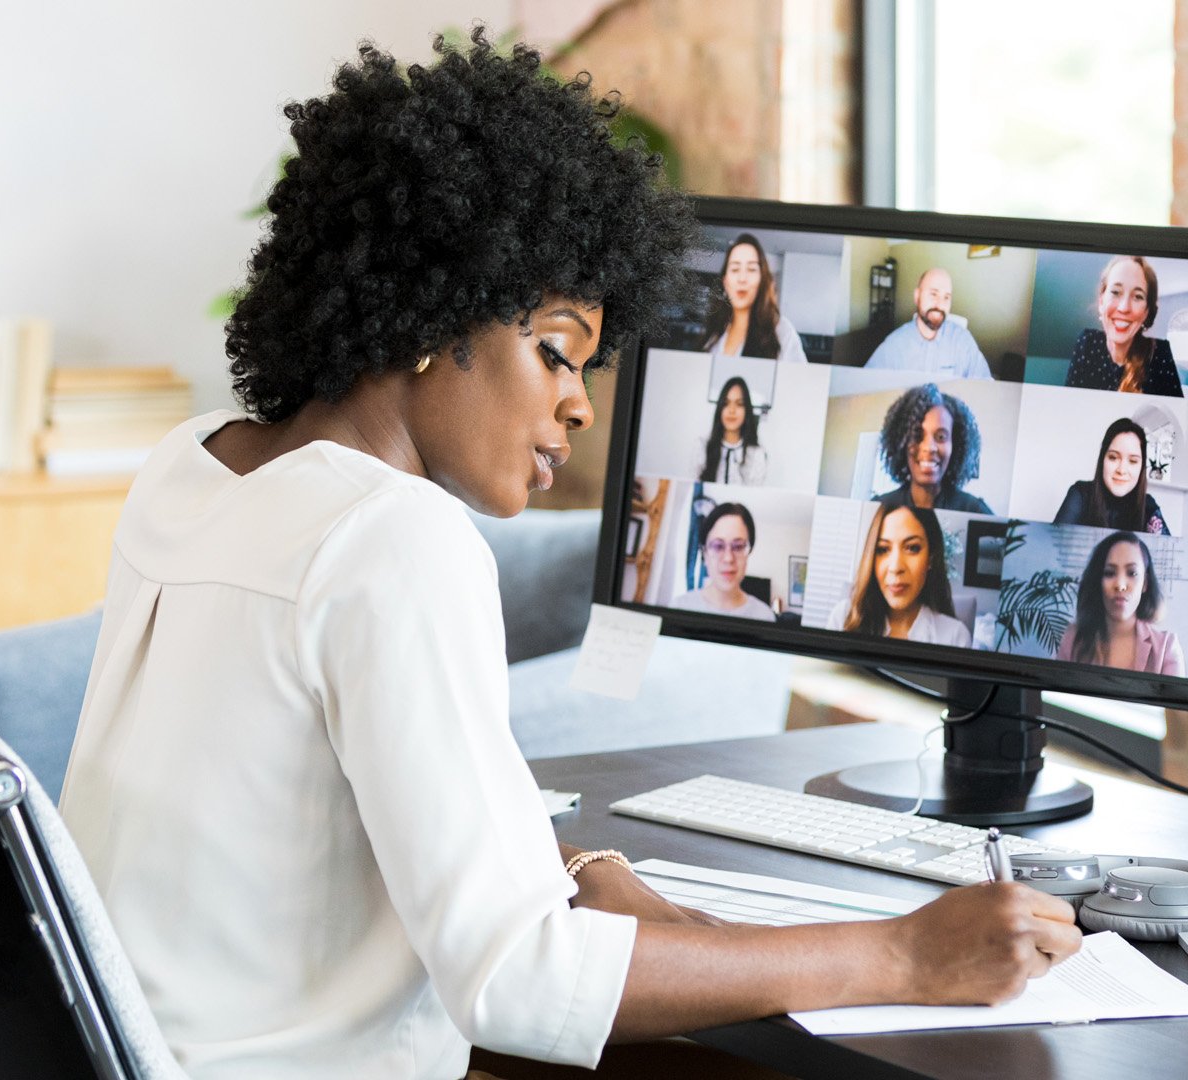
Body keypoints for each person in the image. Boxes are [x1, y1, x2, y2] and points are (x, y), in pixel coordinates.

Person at [57, 33, 1080, 1079]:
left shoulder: (192, 466)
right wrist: (902, 953)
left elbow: (347, 803)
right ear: (433, 315)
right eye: (553, 352)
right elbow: (520, 982)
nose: (580, 405)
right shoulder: (392, 538)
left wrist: (579, 862)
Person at [825, 504, 972, 646]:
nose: (895, 567)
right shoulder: (843, 618)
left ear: (930, 558)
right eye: (883, 549)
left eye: (912, 548)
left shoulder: (955, 636)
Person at [1058, 531, 1185, 675]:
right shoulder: (1072, 639)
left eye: (1132, 573)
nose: (1120, 585)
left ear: (1145, 583)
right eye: (1109, 573)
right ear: (1098, 581)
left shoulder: (1166, 648)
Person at [1063, 255, 1185, 397]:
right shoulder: (1088, 342)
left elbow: (1175, 410)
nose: (1124, 307)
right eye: (1115, 292)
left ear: (1146, 312)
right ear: (1101, 302)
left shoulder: (1160, 354)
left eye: (1138, 296)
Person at [870, 383, 994, 514]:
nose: (929, 447)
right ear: (901, 443)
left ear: (955, 445)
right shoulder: (878, 508)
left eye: (941, 437)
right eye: (917, 435)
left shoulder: (974, 511)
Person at [863, 267, 993, 379]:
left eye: (946, 297)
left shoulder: (963, 341)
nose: (940, 304)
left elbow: (985, 384)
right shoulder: (895, 344)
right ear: (917, 296)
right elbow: (867, 384)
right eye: (933, 294)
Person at [1052, 417, 1171, 535]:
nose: (1122, 470)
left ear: (1141, 467)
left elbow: (1168, 546)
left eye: (1133, 461)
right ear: (1102, 459)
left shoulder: (1148, 506)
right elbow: (1054, 541)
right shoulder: (1080, 494)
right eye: (1113, 457)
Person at [702, 233, 808, 362]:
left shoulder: (781, 330)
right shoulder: (716, 327)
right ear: (725, 282)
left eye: (751, 269)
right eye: (735, 269)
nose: (742, 279)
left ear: (762, 280)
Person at [670, 502, 775, 620]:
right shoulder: (679, 608)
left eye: (738, 547)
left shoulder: (765, 616)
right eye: (718, 546)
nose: (728, 558)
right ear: (705, 554)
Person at [697, 376, 767, 485]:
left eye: (739, 404)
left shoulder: (757, 454)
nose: (732, 410)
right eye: (726, 403)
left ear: (747, 410)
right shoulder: (702, 446)